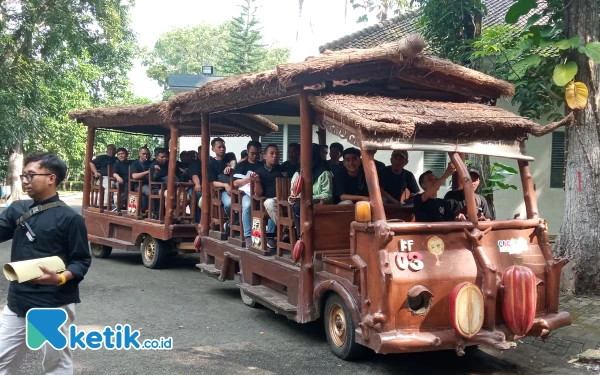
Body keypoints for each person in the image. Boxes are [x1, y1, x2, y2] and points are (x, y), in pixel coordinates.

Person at [0, 152, 92, 374]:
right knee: (2, 360)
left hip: (53, 303)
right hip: (18, 301)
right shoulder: (17, 209)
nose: (25, 180)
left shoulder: (71, 218)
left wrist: (60, 277)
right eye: (24, 175)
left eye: (31, 175)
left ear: (51, 178)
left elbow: (81, 260)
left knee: (55, 365)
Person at [290, 144, 333, 238]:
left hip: (319, 203)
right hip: (301, 204)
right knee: (298, 207)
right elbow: (293, 194)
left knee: (308, 207)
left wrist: (309, 198)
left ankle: (317, 238)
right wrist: (294, 198)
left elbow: (326, 195)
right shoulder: (298, 174)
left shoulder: (324, 173)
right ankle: (301, 237)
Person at [232, 141, 263, 246]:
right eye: (252, 153)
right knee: (247, 205)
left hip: (261, 193)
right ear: (248, 151)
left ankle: (268, 236)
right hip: (245, 194)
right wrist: (249, 179)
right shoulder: (242, 165)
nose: (254, 156)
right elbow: (235, 183)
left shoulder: (262, 165)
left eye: (257, 154)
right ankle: (248, 235)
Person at [253, 144, 283, 250]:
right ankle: (285, 227)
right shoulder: (259, 171)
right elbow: (258, 194)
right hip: (269, 201)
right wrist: (256, 182)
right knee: (269, 203)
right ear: (265, 156)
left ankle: (287, 230)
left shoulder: (282, 169)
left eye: (277, 154)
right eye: (272, 153)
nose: (275, 156)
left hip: (285, 200)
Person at [208, 137, 232, 228]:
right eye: (219, 147)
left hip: (236, 187)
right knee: (229, 204)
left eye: (223, 146)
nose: (222, 149)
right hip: (221, 191)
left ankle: (235, 224)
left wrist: (231, 167)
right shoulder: (211, 163)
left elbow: (234, 162)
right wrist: (225, 185)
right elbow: (212, 182)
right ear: (213, 149)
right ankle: (232, 223)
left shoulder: (229, 157)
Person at [89, 144, 117, 209]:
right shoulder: (102, 157)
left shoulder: (117, 159)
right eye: (110, 149)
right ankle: (105, 205)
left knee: (122, 185)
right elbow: (91, 163)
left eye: (113, 149)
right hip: (104, 178)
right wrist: (95, 172)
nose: (112, 151)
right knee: (110, 184)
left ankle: (118, 206)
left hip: (116, 178)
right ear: (106, 150)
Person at [130, 146, 152, 213]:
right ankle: (150, 211)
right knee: (150, 192)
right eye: (144, 154)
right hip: (140, 185)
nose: (146, 155)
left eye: (147, 154)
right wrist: (147, 172)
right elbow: (134, 176)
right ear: (139, 154)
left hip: (152, 184)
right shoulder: (135, 164)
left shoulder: (151, 163)